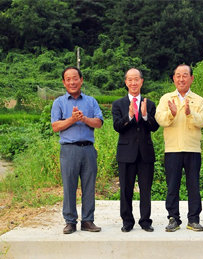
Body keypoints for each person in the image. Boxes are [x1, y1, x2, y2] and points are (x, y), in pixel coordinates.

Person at [51, 66, 103, 234]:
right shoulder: (58, 102)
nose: (72, 82)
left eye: (75, 78)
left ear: (81, 80)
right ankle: (70, 221)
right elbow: (55, 126)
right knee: (69, 186)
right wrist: (72, 119)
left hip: (88, 149)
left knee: (89, 186)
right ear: (64, 82)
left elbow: (99, 122)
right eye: (68, 79)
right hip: (69, 150)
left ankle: (88, 220)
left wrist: (84, 119)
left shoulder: (91, 101)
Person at [155, 64, 203, 232]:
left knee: (193, 185)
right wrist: (171, 113)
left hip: (192, 149)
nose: (181, 79)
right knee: (172, 185)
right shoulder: (166, 98)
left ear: (191, 78)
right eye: (178, 75)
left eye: (185, 75)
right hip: (172, 149)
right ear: (173, 78)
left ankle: (193, 219)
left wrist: (189, 113)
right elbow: (160, 119)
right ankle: (173, 218)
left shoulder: (198, 100)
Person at [112, 68, 159, 232]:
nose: (133, 83)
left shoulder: (150, 103)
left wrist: (145, 116)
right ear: (126, 82)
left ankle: (145, 221)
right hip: (126, 153)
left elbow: (154, 127)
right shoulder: (118, 104)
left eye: (136, 79)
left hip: (145, 153)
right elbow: (117, 127)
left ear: (141, 81)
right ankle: (127, 221)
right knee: (126, 189)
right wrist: (130, 116)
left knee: (146, 189)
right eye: (130, 80)